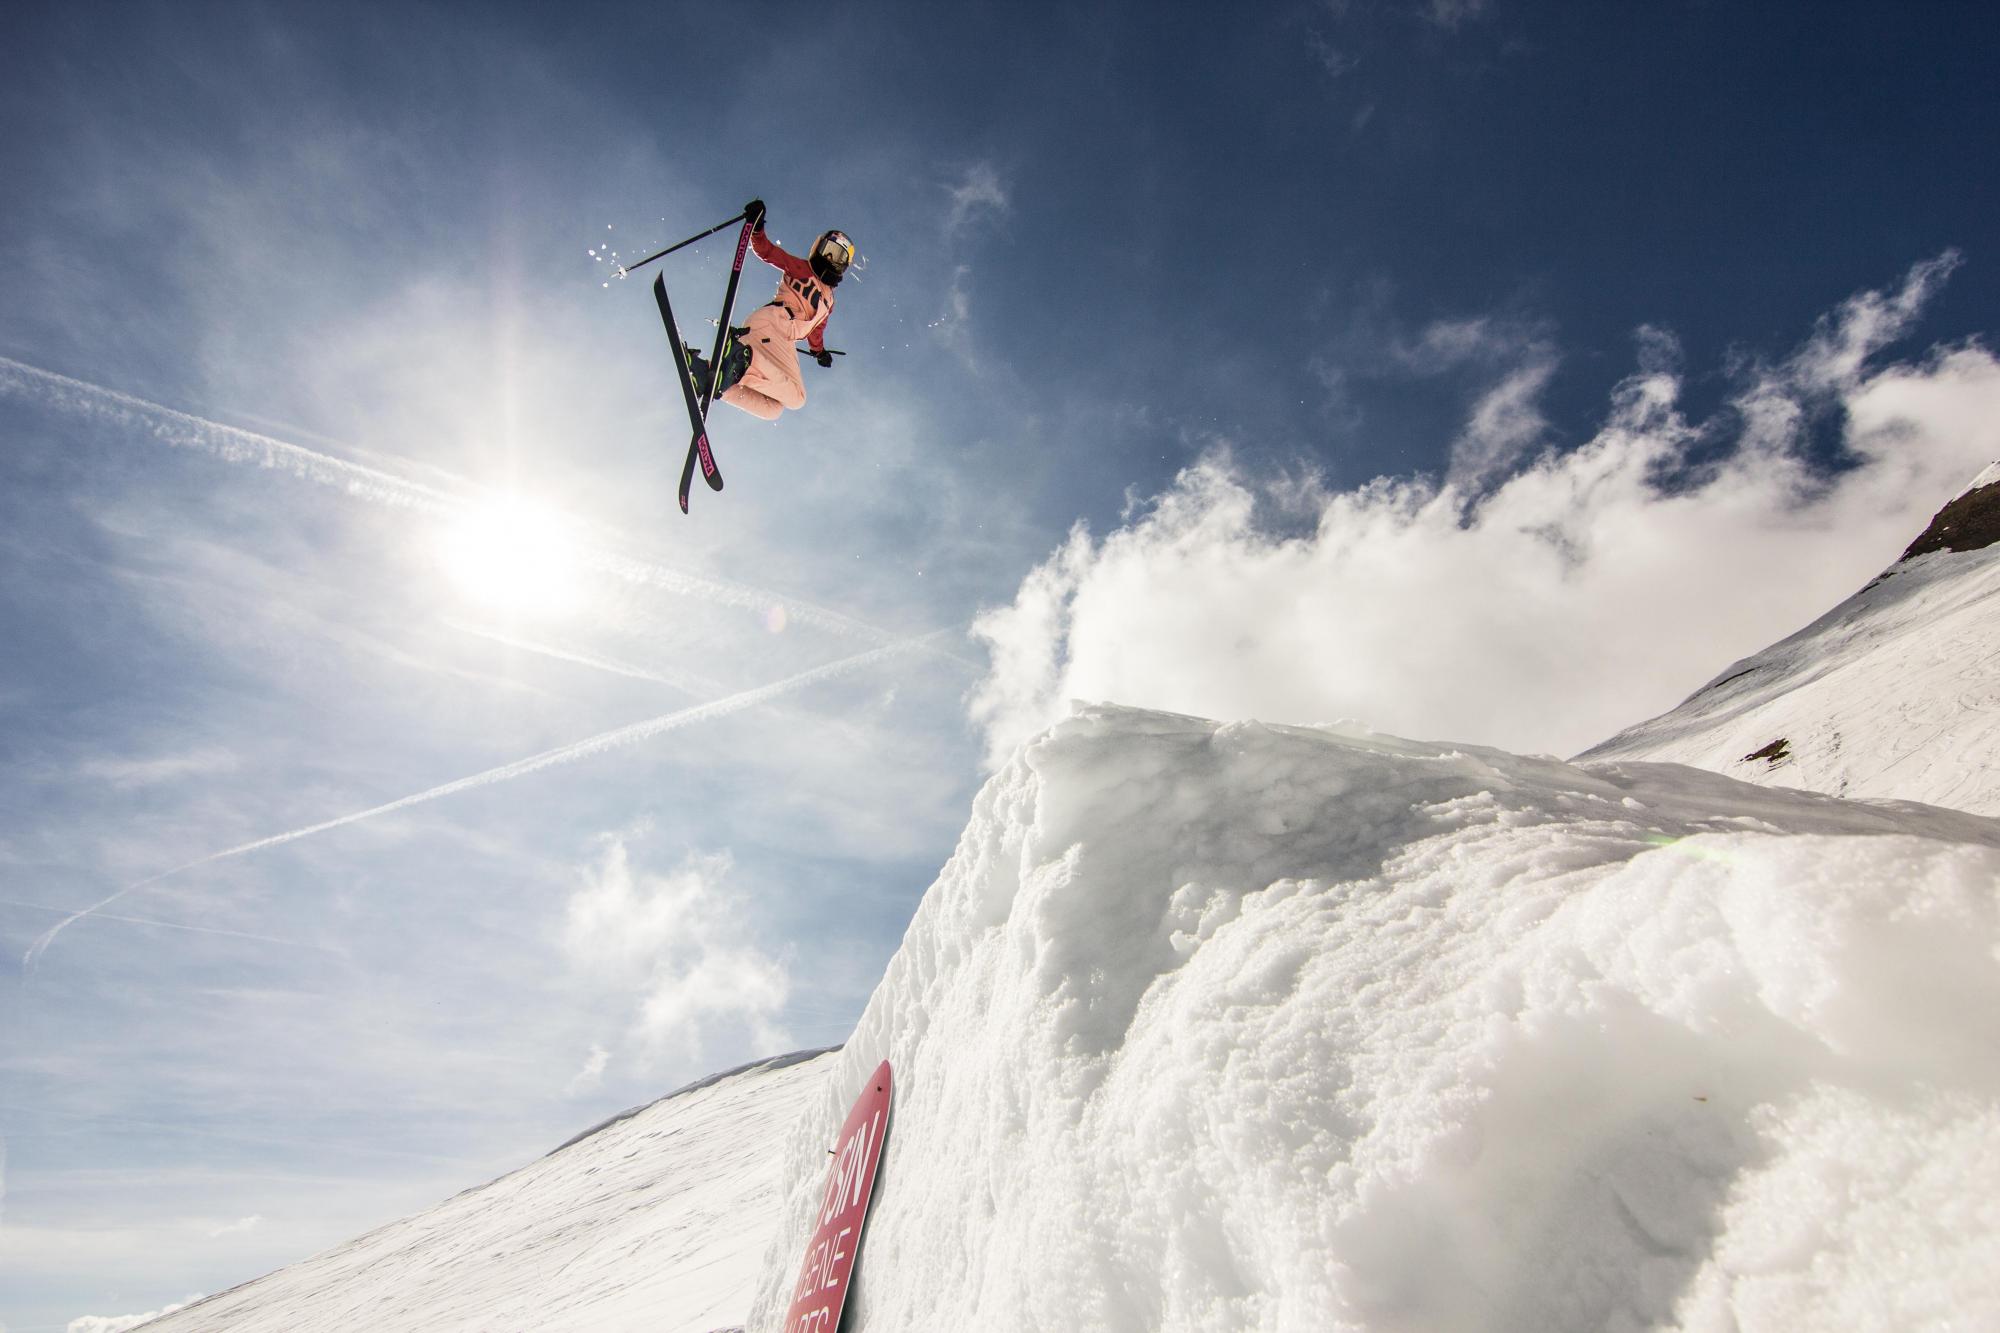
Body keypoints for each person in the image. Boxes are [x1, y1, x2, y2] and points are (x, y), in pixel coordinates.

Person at [691, 198, 854, 422]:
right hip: (772, 324)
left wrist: (819, 351)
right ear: (819, 247)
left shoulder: (829, 302)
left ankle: (712, 378)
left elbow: (817, 330)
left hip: (783, 341)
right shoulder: (802, 268)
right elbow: (768, 252)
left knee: (773, 409)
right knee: (797, 398)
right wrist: (757, 229)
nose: (830, 259)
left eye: (838, 257)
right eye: (829, 251)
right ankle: (742, 360)